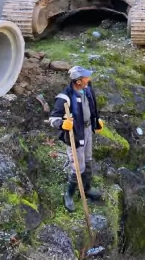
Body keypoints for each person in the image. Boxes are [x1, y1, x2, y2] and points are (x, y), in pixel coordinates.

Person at [49, 65, 104, 212]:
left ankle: (85, 189)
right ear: (78, 81)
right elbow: (53, 118)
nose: (89, 79)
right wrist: (62, 124)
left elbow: (92, 107)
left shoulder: (87, 89)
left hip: (87, 130)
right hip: (75, 133)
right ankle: (69, 194)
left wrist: (96, 121)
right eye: (86, 77)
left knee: (88, 161)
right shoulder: (65, 97)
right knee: (77, 167)